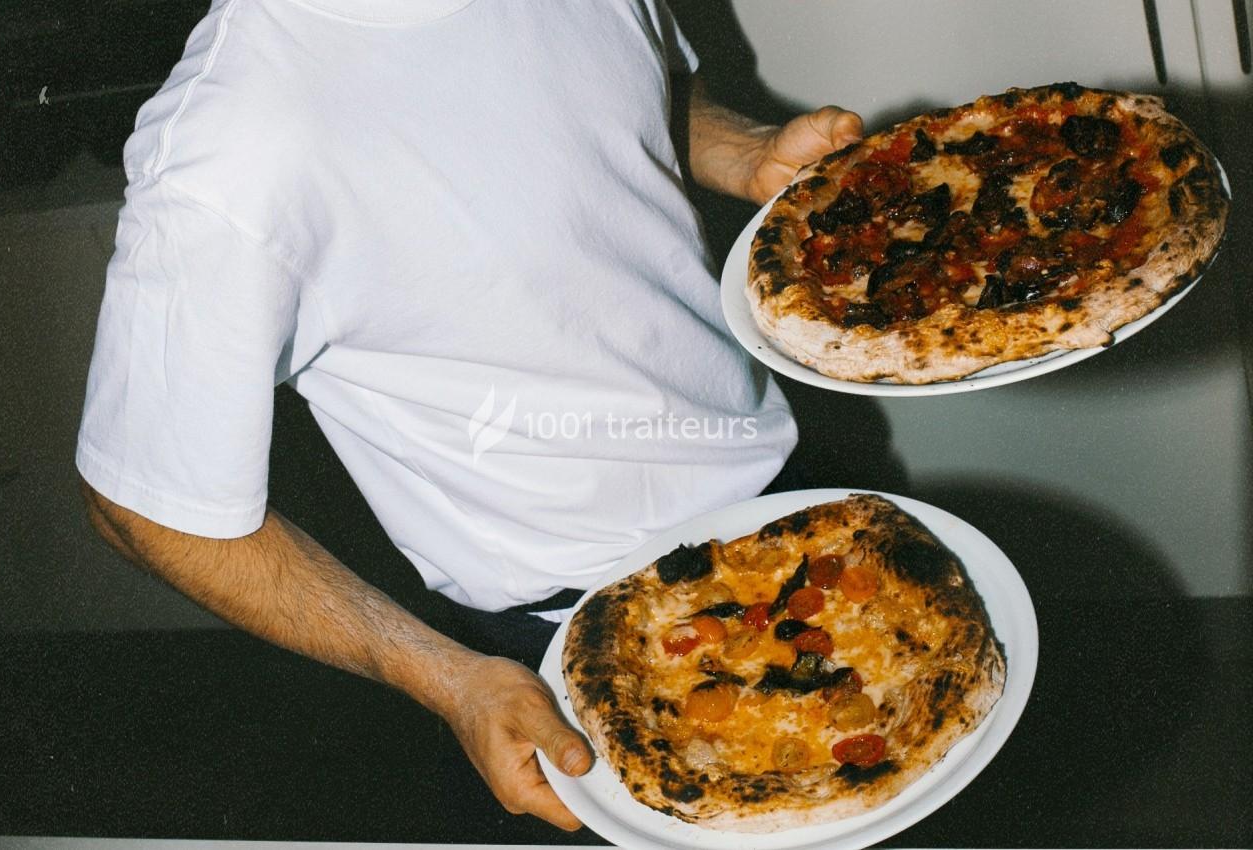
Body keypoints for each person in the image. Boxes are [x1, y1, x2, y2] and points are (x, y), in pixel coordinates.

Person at [77, 0, 862, 832]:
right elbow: (142, 507)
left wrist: (741, 151)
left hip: (794, 498)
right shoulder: (229, 144)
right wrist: (449, 679)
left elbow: (637, 87)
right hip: (596, 645)